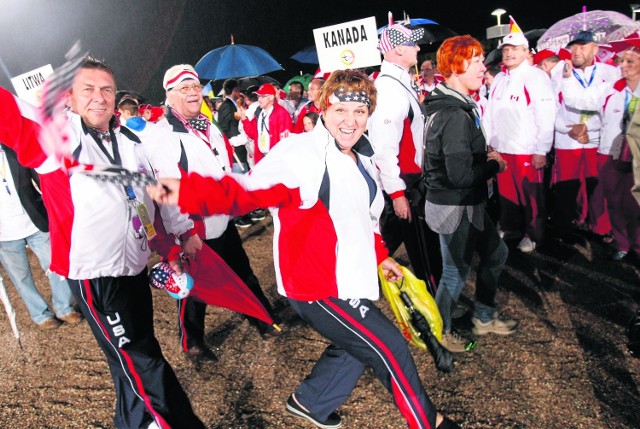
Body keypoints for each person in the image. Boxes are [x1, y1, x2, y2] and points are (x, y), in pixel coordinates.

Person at [148, 69, 459, 429]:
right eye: (340, 109)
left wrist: (381, 256)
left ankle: (311, 401)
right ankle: (428, 421)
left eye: (359, 112)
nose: (350, 120)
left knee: (355, 345)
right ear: (324, 108)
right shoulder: (301, 153)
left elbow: (361, 218)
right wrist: (174, 191)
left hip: (348, 278)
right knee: (389, 348)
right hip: (317, 286)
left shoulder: (363, 155)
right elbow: (243, 191)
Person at [0, 58, 205, 429]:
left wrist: (179, 239)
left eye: (106, 89)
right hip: (94, 277)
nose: (99, 98)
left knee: (131, 358)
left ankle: (133, 424)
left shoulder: (130, 140)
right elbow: (9, 113)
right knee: (143, 361)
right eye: (88, 90)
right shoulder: (58, 138)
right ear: (71, 98)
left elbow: (153, 197)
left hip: (132, 269)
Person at [147, 64, 284, 358]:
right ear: (169, 95)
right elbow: (167, 189)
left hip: (221, 218)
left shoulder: (208, 124)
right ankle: (192, 341)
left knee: (243, 273)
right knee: (193, 288)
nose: (193, 93)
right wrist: (183, 233)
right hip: (193, 226)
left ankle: (264, 320)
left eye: (195, 87)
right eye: (184, 88)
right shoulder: (163, 136)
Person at [424, 36, 517, 353]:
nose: (483, 66)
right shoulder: (453, 114)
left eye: (481, 60)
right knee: (455, 273)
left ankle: (483, 316)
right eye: (475, 60)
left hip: (468, 202)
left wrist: (484, 159)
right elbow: (460, 176)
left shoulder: (458, 104)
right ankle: (440, 332)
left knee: (497, 254)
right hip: (454, 205)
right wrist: (493, 165)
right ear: (454, 66)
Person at [368, 23, 443, 288]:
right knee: (424, 252)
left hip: (411, 180)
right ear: (399, 49)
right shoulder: (389, 89)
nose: (418, 48)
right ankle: (437, 307)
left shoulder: (398, 82)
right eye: (413, 43)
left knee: (413, 243)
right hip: (407, 184)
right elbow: (383, 147)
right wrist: (398, 194)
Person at [561, 46, 640, 261]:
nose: (622, 66)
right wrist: (567, 79)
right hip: (609, 153)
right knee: (615, 201)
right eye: (621, 61)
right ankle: (622, 243)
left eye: (629, 62)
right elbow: (579, 101)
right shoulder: (610, 89)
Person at [484, 23, 556, 252]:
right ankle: (511, 226)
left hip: (526, 150)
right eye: (506, 49)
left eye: (515, 49)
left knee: (531, 197)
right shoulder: (500, 81)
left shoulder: (535, 77)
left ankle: (534, 234)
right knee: (507, 195)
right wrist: (490, 145)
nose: (509, 53)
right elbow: (489, 115)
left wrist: (541, 150)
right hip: (504, 151)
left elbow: (545, 116)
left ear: (526, 52)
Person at [0, 142, 82, 330]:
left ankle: (64, 308)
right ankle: (40, 315)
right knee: (21, 278)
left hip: (35, 222)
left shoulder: (15, 150)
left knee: (57, 266)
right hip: (5, 235)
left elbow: (42, 179)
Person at [551, 31, 620, 244]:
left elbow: (612, 106)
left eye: (582, 46)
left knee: (597, 187)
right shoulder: (559, 72)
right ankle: (564, 228)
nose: (576, 51)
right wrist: (566, 129)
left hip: (596, 138)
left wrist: (590, 128)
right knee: (566, 188)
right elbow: (550, 106)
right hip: (567, 138)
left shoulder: (610, 72)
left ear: (595, 48)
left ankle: (600, 228)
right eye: (573, 47)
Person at [239, 83, 292, 165]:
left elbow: (285, 141)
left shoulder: (281, 113)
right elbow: (253, 134)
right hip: (262, 160)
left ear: (271, 97)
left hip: (275, 161)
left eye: (263, 96)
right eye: (258, 96)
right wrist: (243, 118)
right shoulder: (259, 113)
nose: (259, 99)